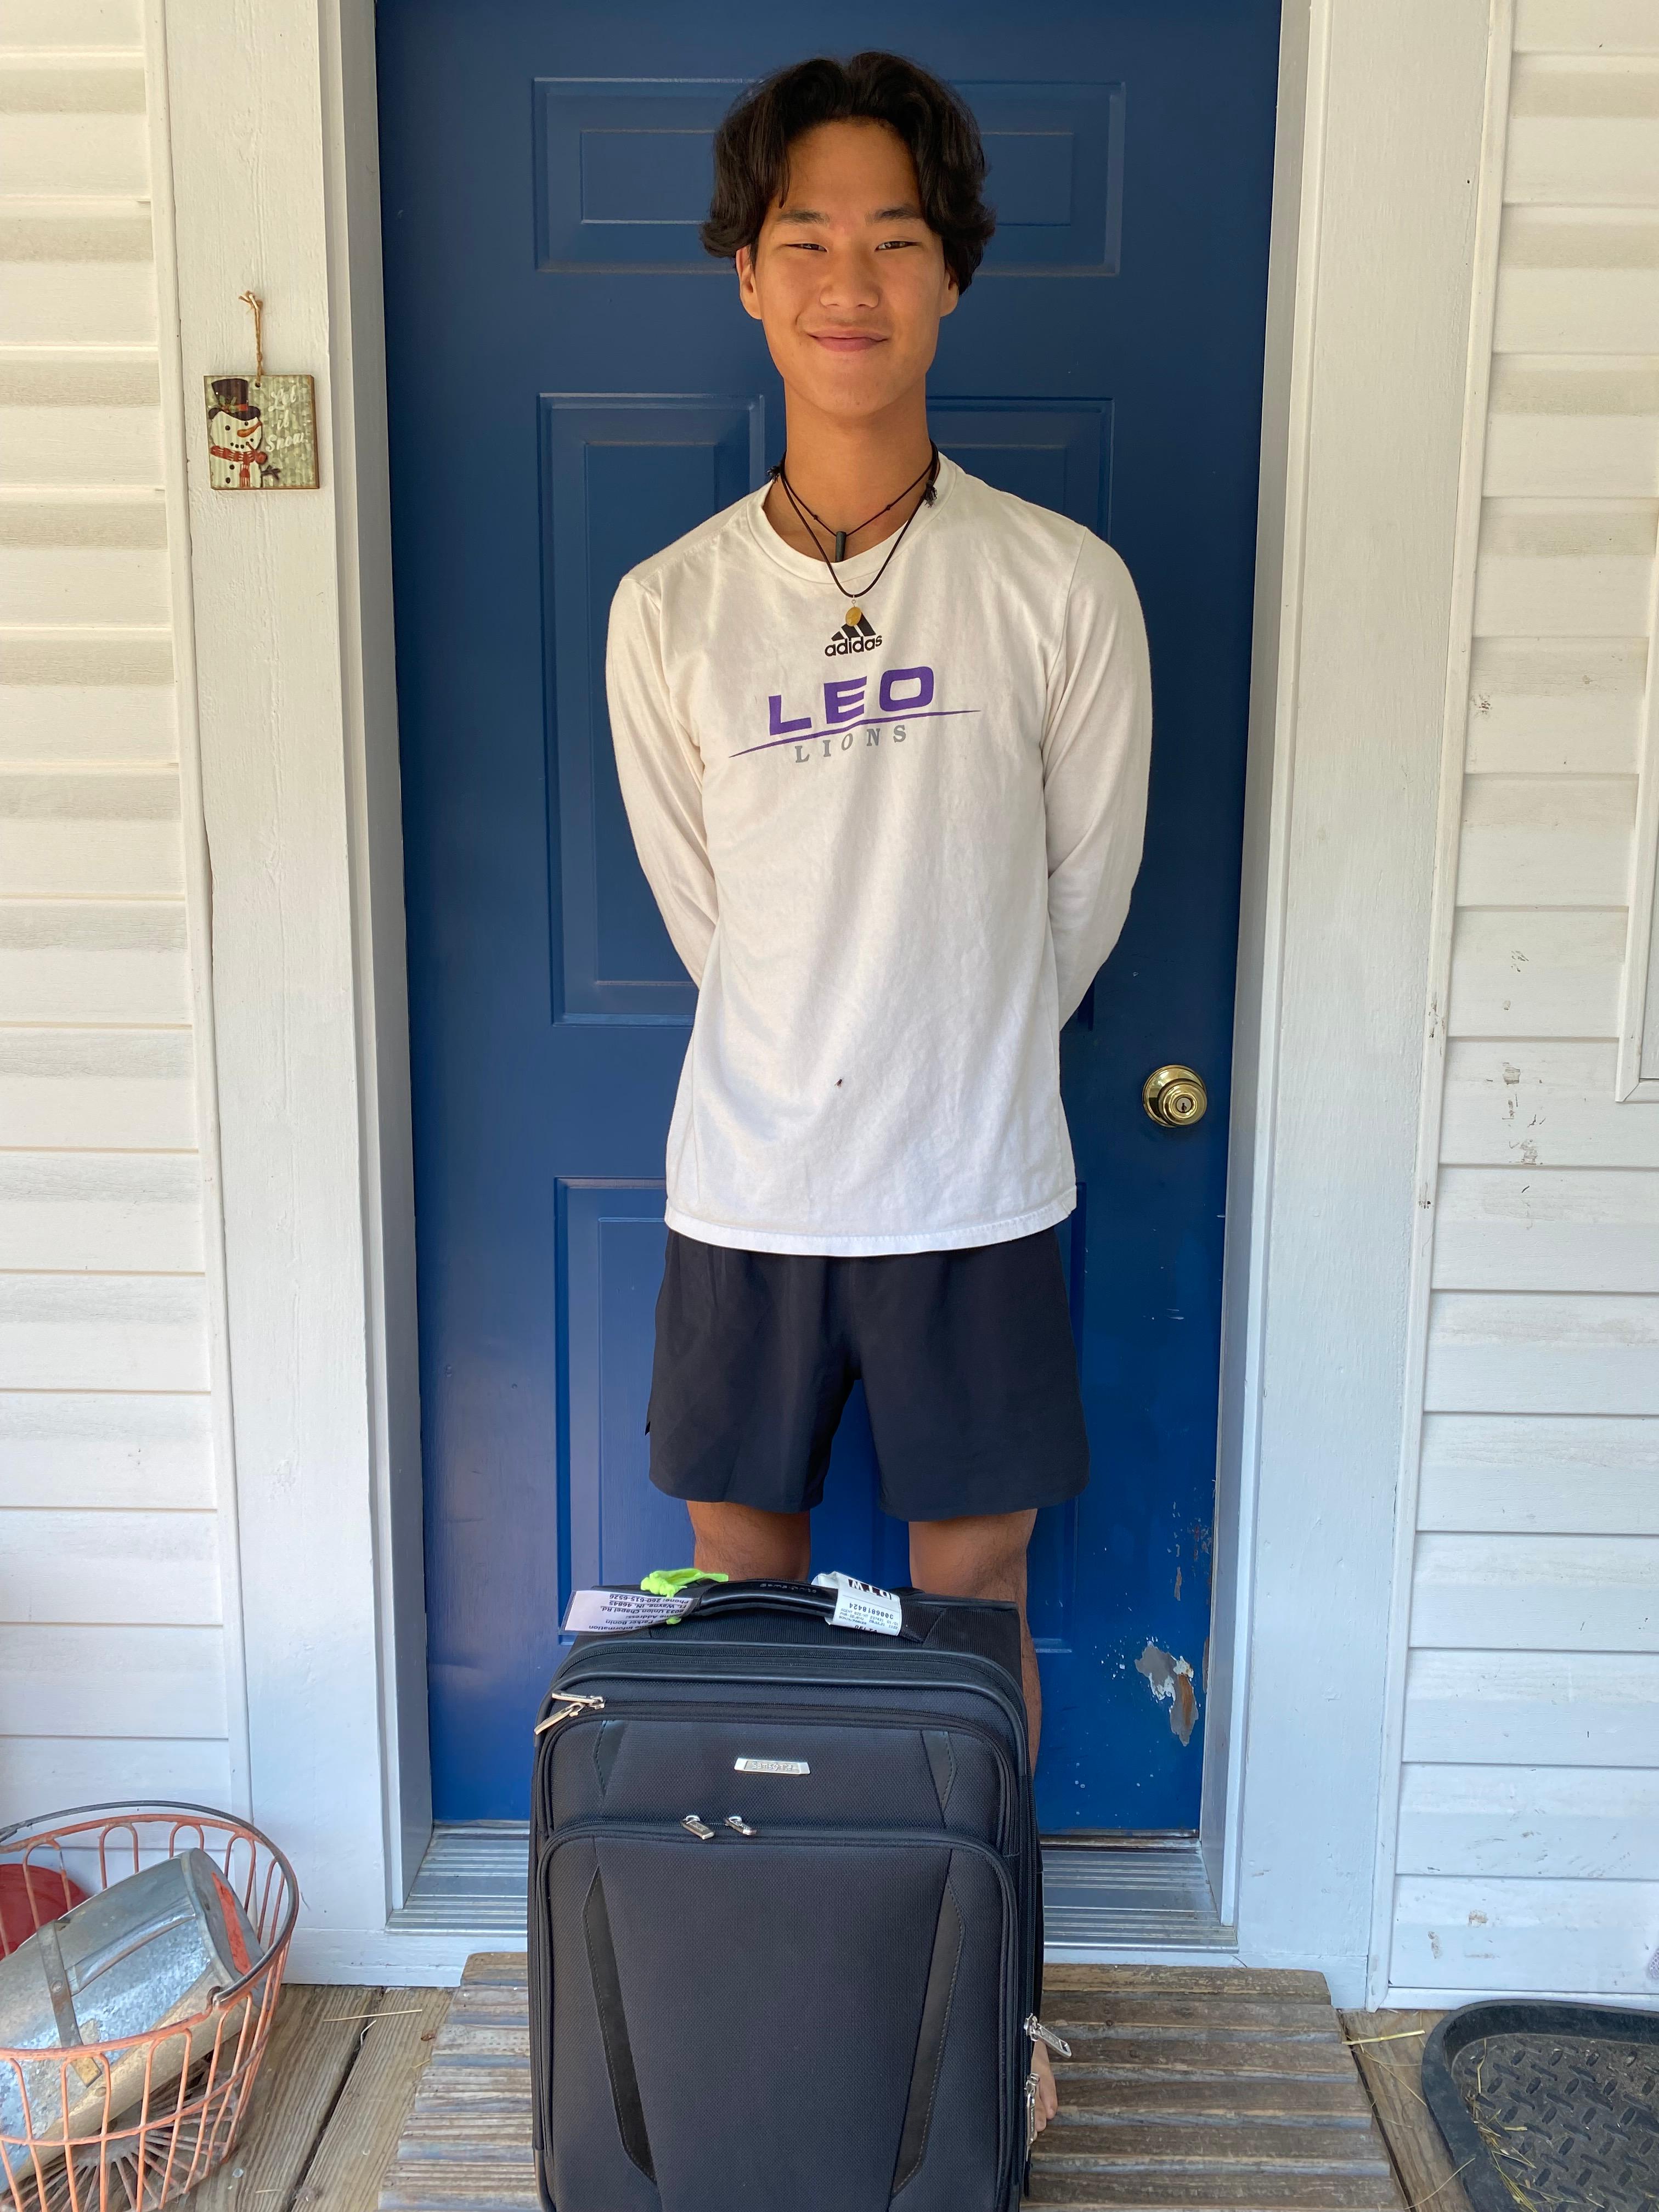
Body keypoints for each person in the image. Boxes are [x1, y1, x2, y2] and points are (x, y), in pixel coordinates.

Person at [606, 49, 1151, 2132]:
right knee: (740, 1615)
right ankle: (758, 2003)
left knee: (969, 1617)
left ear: (949, 281)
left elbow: (1075, 905)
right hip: (742, 1198)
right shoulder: (670, 609)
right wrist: (818, 1047)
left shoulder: (1059, 588)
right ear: (750, 277)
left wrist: (944, 1049)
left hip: (977, 1193)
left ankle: (982, 2014)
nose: (851, 278)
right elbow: (702, 913)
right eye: (805, 238)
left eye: (894, 239)